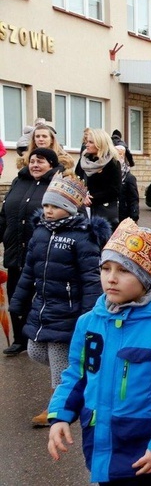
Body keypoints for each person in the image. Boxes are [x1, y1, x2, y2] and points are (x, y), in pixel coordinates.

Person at [47, 219, 151, 485]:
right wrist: (61, 415)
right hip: (100, 441)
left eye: (124, 270)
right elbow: (76, 374)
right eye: (105, 268)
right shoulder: (89, 323)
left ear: (146, 278)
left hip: (143, 451)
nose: (111, 278)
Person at [9, 173, 110, 425]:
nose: (48, 211)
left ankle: (58, 406)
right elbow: (29, 271)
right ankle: (79, 379)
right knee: (34, 350)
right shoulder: (41, 232)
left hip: (69, 310)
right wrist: (18, 302)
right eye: (45, 205)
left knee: (57, 357)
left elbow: (90, 279)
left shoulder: (82, 236)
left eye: (54, 206)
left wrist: (89, 315)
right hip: (43, 307)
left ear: (68, 207)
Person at [1, 148, 64, 356]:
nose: (35, 165)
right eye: (33, 161)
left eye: (41, 161)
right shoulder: (19, 182)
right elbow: (5, 215)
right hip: (15, 251)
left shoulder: (58, 183)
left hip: (43, 254)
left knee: (43, 297)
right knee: (16, 294)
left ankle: (44, 337)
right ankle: (21, 339)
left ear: (52, 164)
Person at [76, 128, 122, 231]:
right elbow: (76, 180)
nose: (87, 144)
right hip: (82, 209)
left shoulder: (113, 163)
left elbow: (115, 190)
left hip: (103, 211)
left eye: (91, 142)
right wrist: (81, 195)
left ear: (100, 143)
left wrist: (91, 199)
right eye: (86, 141)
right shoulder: (83, 160)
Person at [116, 145, 140, 224]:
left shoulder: (129, 177)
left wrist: (134, 217)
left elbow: (134, 199)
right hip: (112, 214)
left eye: (120, 154)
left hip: (124, 216)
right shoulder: (109, 174)